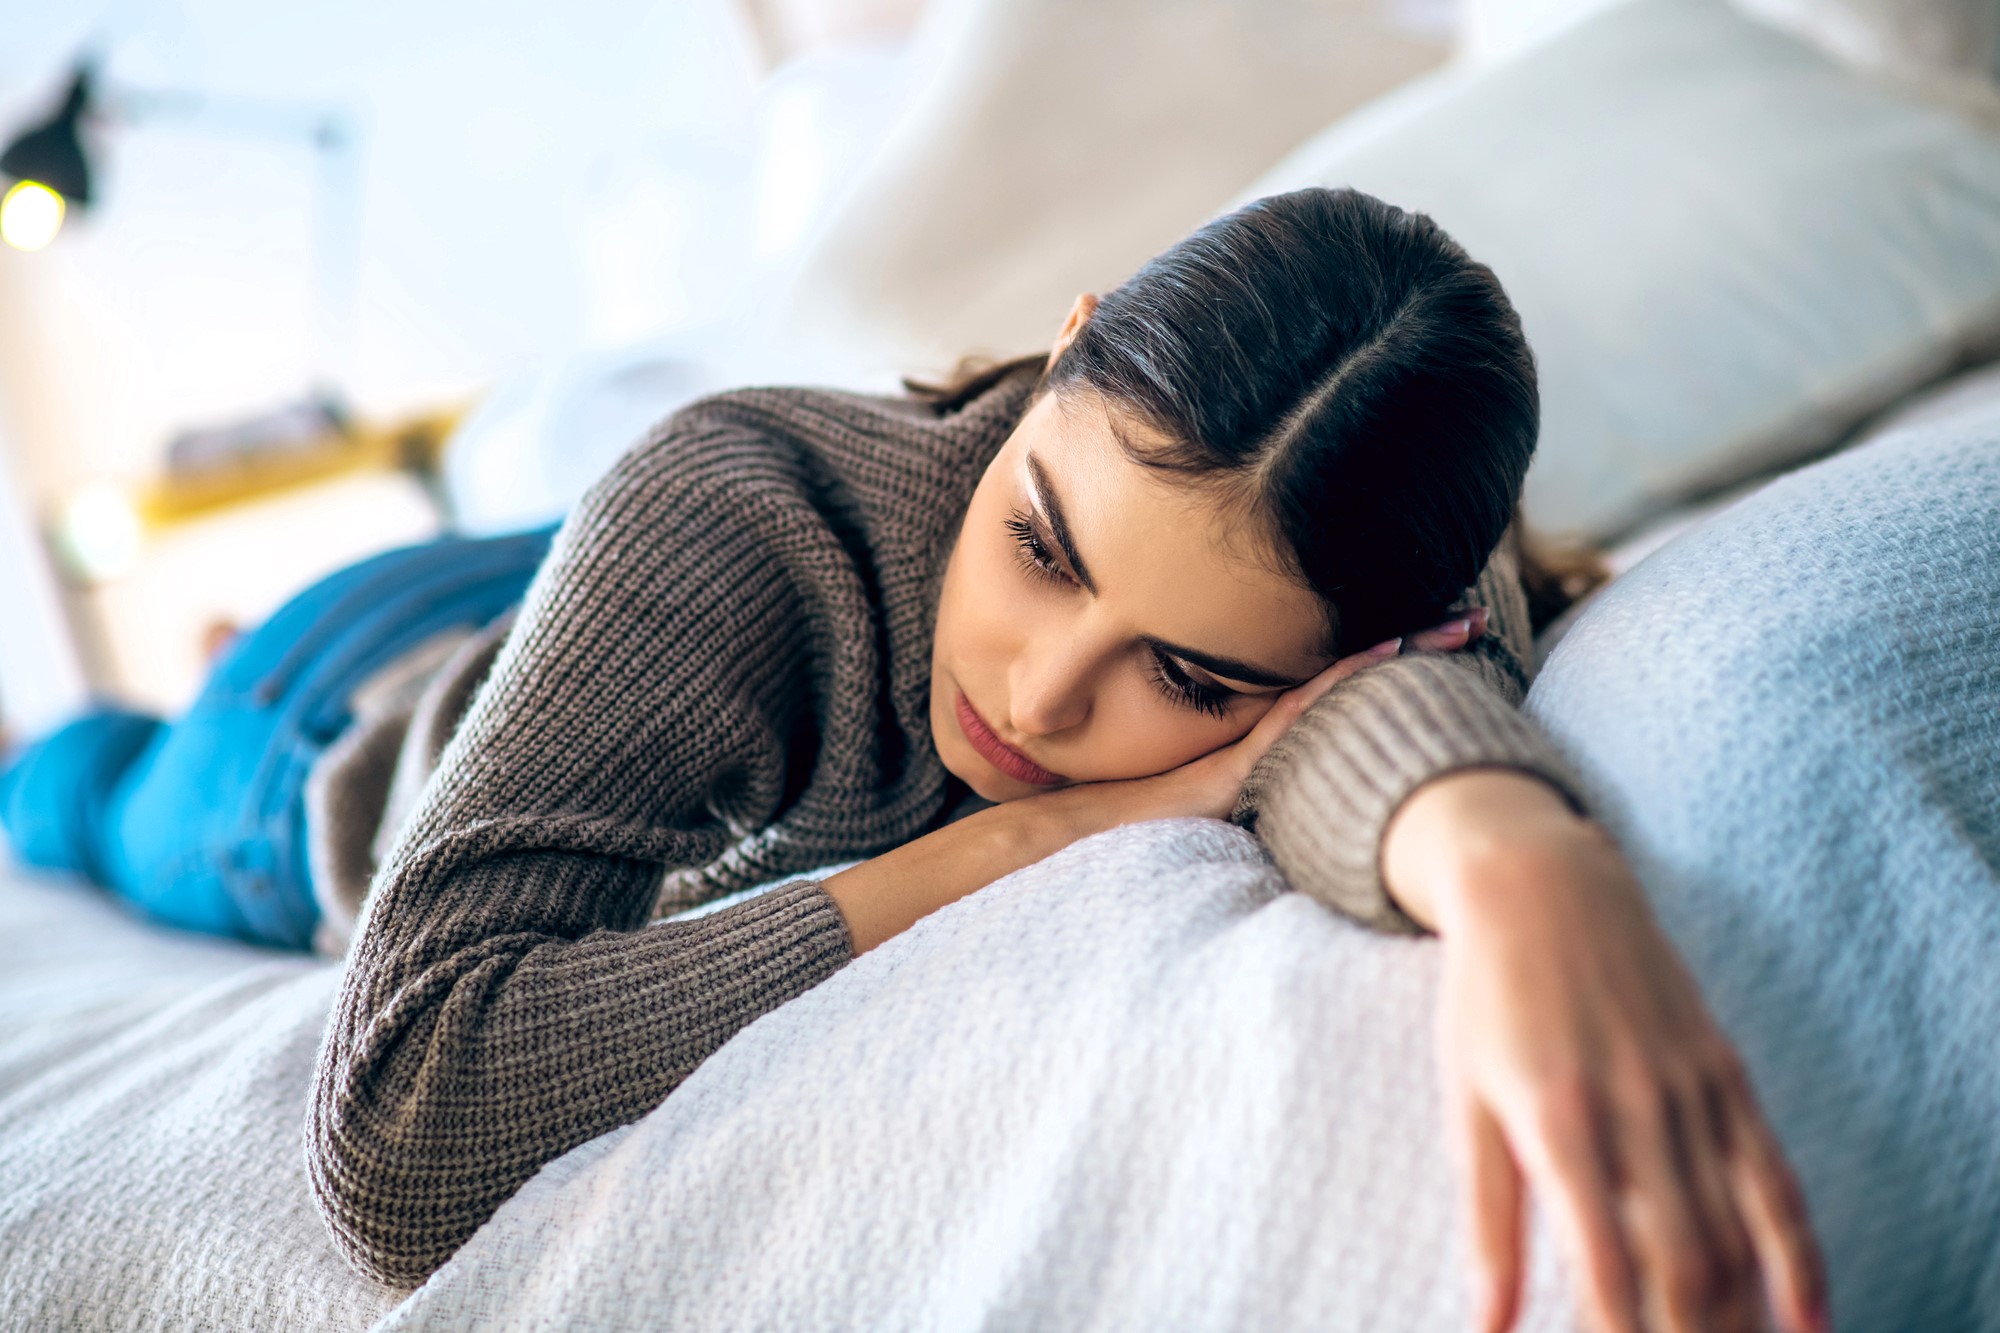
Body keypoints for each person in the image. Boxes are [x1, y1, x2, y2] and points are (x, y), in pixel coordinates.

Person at [7, 185, 1826, 1332]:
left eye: (1183, 678)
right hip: (340, 721)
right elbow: (404, 1130)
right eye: (1045, 541)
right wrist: (982, 855)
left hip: (625, 612)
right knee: (86, 791)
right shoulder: (749, 496)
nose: (1038, 704)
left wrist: (1519, 861)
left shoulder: (1363, 537)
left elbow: (1409, 705)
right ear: (1062, 356)